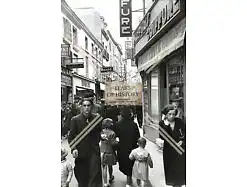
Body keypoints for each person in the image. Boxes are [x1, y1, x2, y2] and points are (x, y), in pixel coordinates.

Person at [68, 93, 103, 187]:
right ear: (81, 107)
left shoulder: (97, 118)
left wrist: (102, 136)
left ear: (91, 107)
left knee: (94, 177)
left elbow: (100, 132)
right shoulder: (75, 120)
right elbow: (71, 137)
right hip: (81, 152)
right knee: (82, 178)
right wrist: (73, 148)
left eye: (88, 105)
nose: (86, 108)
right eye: (84, 106)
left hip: (94, 152)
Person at [159, 104, 186, 187]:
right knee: (171, 172)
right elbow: (162, 137)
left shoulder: (179, 121)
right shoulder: (162, 123)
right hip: (169, 152)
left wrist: (182, 141)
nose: (172, 116)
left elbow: (185, 133)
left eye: (173, 114)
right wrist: (166, 125)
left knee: (179, 172)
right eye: (169, 114)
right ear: (165, 114)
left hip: (179, 151)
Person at [115, 106, 140, 187]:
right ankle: (130, 180)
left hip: (122, 148)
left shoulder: (118, 124)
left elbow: (116, 136)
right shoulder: (134, 125)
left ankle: (128, 180)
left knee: (125, 163)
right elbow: (138, 137)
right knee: (131, 164)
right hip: (132, 147)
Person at [100, 118, 118, 187]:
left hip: (102, 152)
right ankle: (110, 177)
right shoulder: (112, 133)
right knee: (110, 166)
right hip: (110, 151)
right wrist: (117, 142)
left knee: (104, 167)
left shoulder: (102, 132)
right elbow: (113, 143)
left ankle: (105, 183)